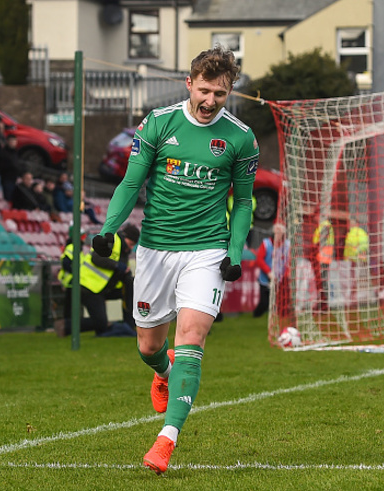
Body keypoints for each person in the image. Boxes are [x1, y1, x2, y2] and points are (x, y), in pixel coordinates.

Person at [90, 46, 258, 475]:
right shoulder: (159, 124)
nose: (210, 102)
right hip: (155, 250)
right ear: (189, 83)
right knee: (148, 346)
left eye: (220, 95)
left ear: (229, 92)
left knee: (192, 338)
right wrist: (109, 229)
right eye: (204, 91)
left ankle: (166, 441)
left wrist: (235, 252)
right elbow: (132, 182)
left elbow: (243, 203)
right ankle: (161, 372)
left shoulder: (240, 138)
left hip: (206, 251)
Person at [78, 224, 139, 337]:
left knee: (130, 286)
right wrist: (116, 265)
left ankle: (129, 324)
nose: (131, 248)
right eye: (130, 244)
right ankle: (66, 326)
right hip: (89, 286)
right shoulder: (111, 239)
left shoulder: (124, 251)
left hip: (103, 287)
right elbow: (96, 258)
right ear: (124, 237)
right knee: (101, 327)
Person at [311, 218, 334, 310]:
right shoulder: (325, 225)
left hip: (323, 257)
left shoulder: (325, 225)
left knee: (322, 281)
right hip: (324, 257)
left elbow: (321, 241)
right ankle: (323, 302)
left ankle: (323, 303)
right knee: (323, 280)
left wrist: (316, 248)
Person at [253, 228, 275, 318]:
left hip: (279, 277)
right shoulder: (266, 243)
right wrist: (268, 272)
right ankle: (256, 315)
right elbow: (259, 259)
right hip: (266, 277)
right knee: (264, 301)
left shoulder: (286, 244)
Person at [0, 134, 21, 202]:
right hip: (6, 178)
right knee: (7, 197)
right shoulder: (3, 152)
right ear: (8, 141)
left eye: (15, 141)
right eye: (12, 141)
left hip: (14, 179)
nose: (13, 143)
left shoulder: (16, 152)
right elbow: (1, 165)